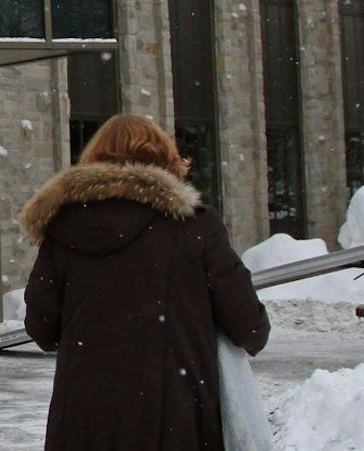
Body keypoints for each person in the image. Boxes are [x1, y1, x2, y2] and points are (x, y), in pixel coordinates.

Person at [19, 114, 268, 451]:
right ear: (167, 159)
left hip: (85, 413)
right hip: (175, 413)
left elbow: (41, 327)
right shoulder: (195, 226)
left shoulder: (63, 229)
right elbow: (248, 323)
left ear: (94, 161)